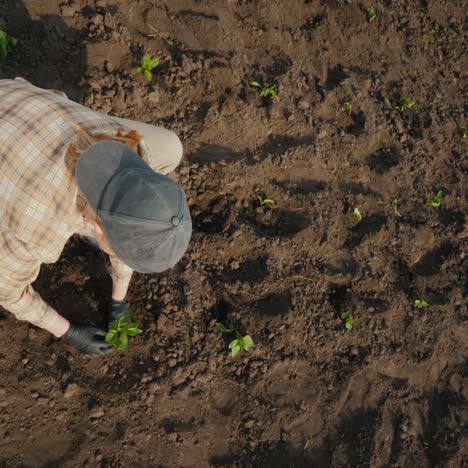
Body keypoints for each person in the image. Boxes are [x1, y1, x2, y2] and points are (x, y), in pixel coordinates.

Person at [0, 78, 192, 356]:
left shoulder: (127, 152)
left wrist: (119, 299)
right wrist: (66, 330)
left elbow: (126, 217)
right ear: (92, 224)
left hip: (19, 102)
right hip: (19, 169)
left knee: (168, 146)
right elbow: (8, 290)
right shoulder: (37, 227)